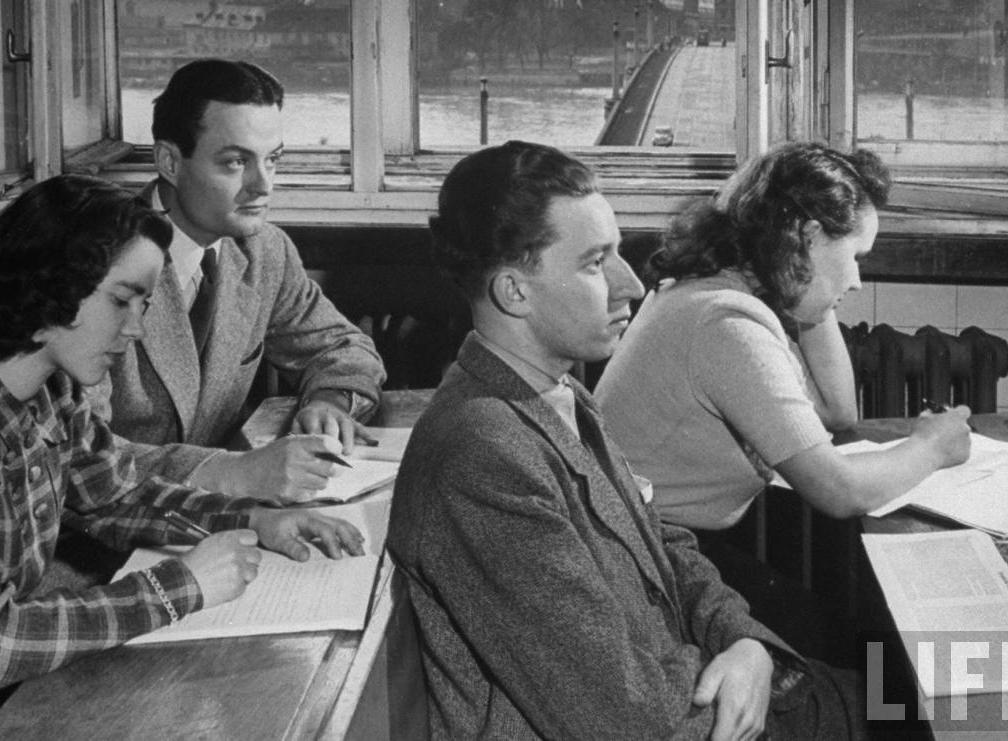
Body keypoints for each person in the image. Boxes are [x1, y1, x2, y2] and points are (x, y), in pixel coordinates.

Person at [0, 175, 363, 741]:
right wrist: (177, 585)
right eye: (122, 301)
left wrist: (256, 518)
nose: (136, 328)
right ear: (50, 287)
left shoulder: (49, 389)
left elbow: (118, 495)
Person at [387, 141, 867, 741]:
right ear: (515, 291)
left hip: (702, 680)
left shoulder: (558, 396)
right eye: (595, 263)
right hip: (690, 722)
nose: (632, 285)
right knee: (942, 707)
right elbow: (630, 720)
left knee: (932, 692)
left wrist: (746, 642)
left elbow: (661, 544)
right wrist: (749, 673)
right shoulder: (484, 454)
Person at [594, 140, 970, 534]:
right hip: (649, 548)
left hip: (659, 534)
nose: (857, 282)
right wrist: (932, 446)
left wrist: (805, 280)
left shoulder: (719, 289)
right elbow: (839, 490)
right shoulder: (726, 324)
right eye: (855, 257)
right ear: (810, 237)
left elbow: (836, 410)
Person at [91, 59, 386, 506]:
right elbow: (80, 456)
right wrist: (233, 471)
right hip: (102, 531)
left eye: (273, 160)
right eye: (235, 162)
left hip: (215, 517)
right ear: (170, 161)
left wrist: (330, 400)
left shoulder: (263, 250)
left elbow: (342, 347)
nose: (262, 185)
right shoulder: (95, 260)